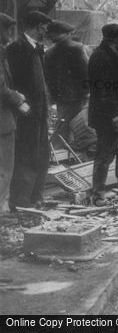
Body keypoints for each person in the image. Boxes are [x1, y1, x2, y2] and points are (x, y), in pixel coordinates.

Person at [7, 11, 52, 210]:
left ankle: (35, 197)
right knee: (26, 156)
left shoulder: (36, 49)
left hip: (40, 113)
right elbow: (12, 81)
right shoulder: (17, 48)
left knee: (41, 154)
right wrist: (20, 105)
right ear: (36, 27)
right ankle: (21, 201)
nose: (46, 31)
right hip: (26, 114)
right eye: (44, 27)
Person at [88, 24, 118, 205]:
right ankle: (98, 192)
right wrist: (115, 116)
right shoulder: (100, 57)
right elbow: (103, 92)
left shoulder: (114, 54)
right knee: (105, 153)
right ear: (116, 40)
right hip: (107, 114)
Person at [0, 13, 29, 212]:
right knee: (4, 169)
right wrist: (18, 99)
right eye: (7, 30)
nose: (10, 35)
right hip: (2, 121)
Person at [45, 21, 89, 125]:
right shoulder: (77, 48)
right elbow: (86, 72)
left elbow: (48, 77)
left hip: (60, 96)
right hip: (77, 96)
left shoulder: (49, 52)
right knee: (79, 126)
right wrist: (87, 92)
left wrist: (53, 95)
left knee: (63, 125)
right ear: (67, 33)